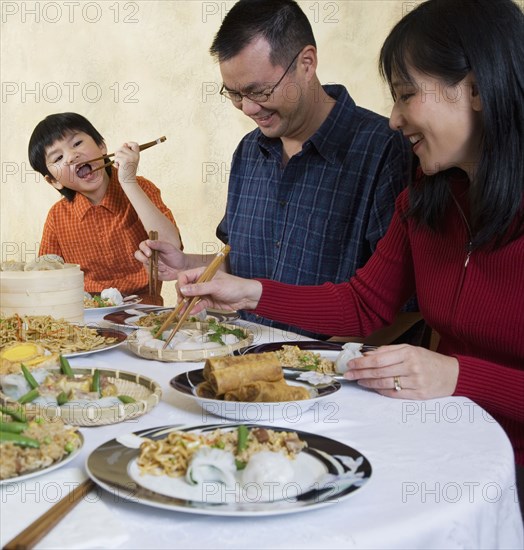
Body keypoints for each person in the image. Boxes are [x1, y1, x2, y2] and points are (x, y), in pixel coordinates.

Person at [176, 0, 524, 508]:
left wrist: (456, 374)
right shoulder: (425, 200)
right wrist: (249, 291)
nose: (394, 119)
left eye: (406, 96)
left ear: (475, 88)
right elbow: (363, 304)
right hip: (445, 444)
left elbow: (442, 365)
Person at [135, 0, 412, 338]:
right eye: (234, 94)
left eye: (260, 91)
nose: (249, 108)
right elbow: (244, 264)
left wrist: (325, 363)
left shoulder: (383, 149)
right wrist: (187, 263)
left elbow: (404, 304)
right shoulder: (249, 152)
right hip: (244, 354)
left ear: (306, 63)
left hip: (330, 374)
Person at [29, 112, 182, 304]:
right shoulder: (57, 216)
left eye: (77, 143)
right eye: (58, 157)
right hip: (86, 315)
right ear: (53, 181)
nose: (71, 156)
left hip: (144, 312)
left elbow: (172, 247)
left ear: (102, 146)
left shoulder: (140, 188)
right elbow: (45, 276)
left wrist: (128, 182)